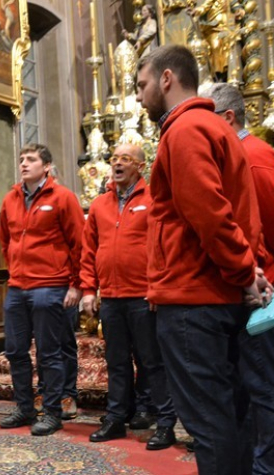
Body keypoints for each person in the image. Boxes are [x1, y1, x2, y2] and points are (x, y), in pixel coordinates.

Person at [136, 45, 268, 475]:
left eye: (142, 85)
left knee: (209, 419)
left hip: (193, 299)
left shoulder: (187, 129)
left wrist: (242, 271)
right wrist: (248, 270)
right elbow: (238, 214)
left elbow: (210, 215)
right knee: (230, 412)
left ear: (167, 78)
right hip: (215, 295)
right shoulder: (217, 127)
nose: (139, 97)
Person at [202, 82, 274, 475]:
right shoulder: (234, 156)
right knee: (245, 388)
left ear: (228, 119)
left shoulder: (256, 159)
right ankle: (251, 473)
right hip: (244, 287)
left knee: (265, 388)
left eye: (207, 118)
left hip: (265, 290)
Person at [80, 143, 178, 450]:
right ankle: (116, 419)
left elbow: (162, 247)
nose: (118, 164)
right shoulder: (98, 205)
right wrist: (87, 289)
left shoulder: (154, 199)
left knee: (152, 362)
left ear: (139, 165)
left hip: (143, 296)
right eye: (114, 159)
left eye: (125, 159)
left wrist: (157, 287)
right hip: (110, 296)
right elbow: (88, 250)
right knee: (116, 361)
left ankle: (165, 424)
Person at [0, 144, 83, 436]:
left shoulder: (63, 197)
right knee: (15, 351)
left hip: (50, 285)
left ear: (46, 166)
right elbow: (4, 240)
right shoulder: (10, 199)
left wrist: (75, 284)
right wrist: (15, 270)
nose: (24, 164)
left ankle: (52, 412)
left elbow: (78, 243)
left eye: (31, 160)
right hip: (18, 287)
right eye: (21, 159)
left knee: (49, 353)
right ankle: (24, 407)